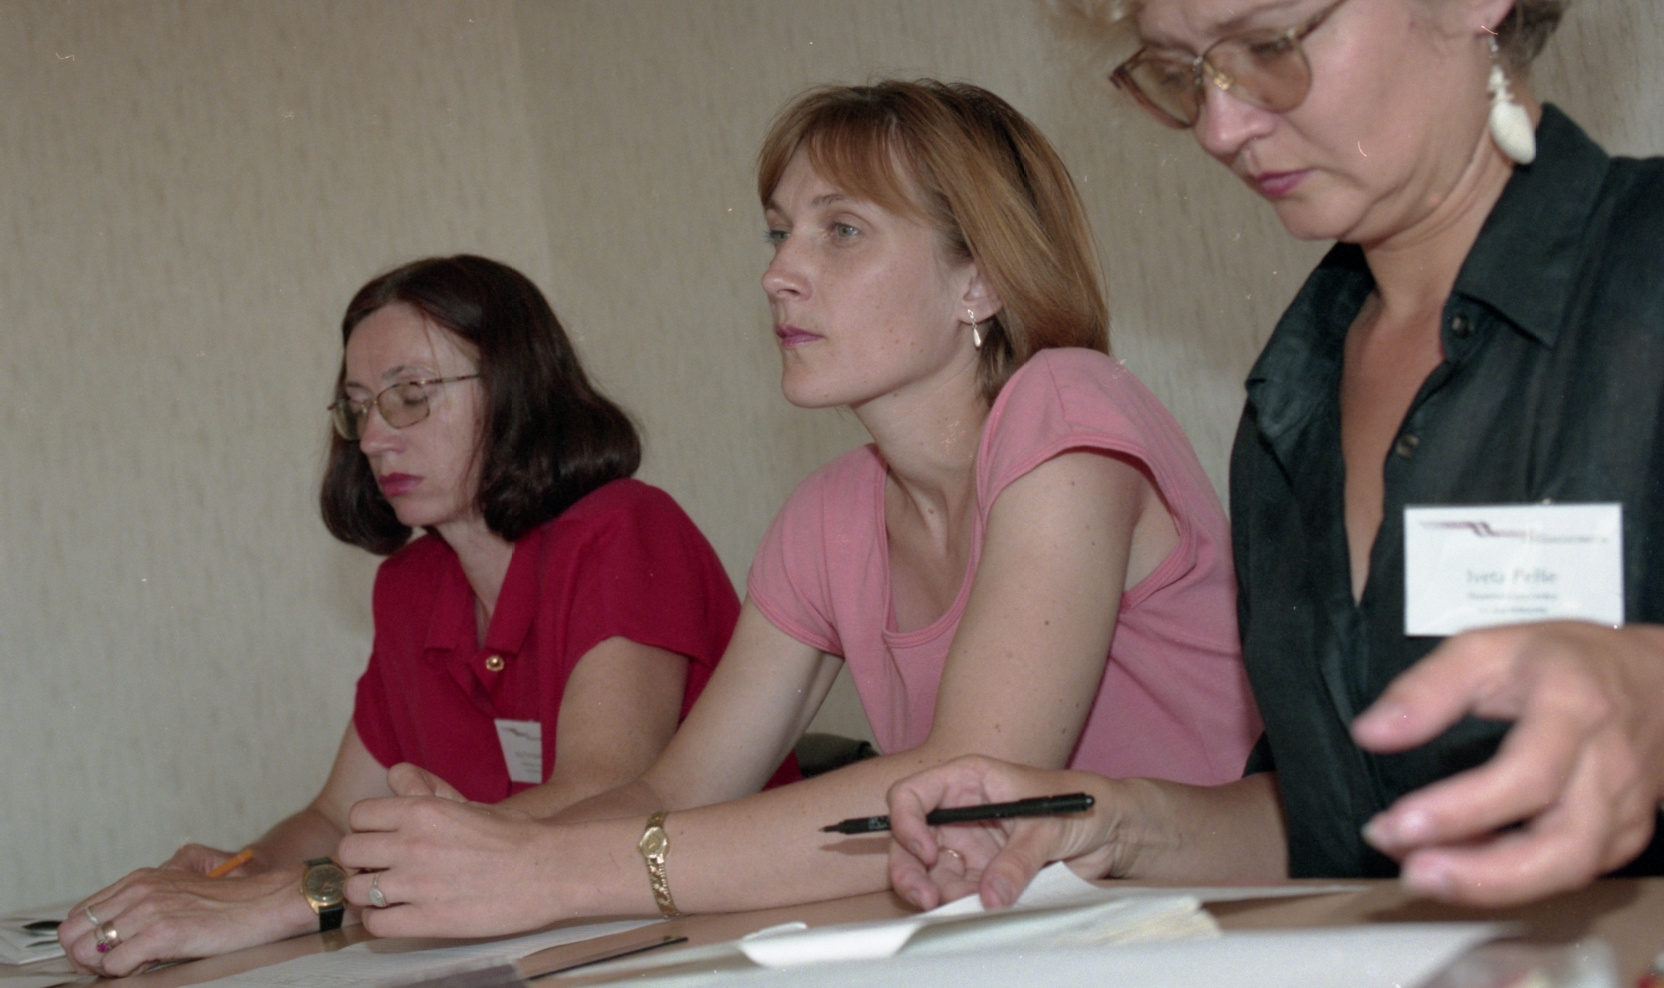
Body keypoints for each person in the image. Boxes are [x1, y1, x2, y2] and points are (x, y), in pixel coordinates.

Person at [330, 80, 1261, 938]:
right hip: (1038, 941)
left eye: (841, 230)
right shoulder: (828, 514)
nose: (779, 274)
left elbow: (969, 783)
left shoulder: (1068, 405)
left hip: (1241, 929)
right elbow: (674, 790)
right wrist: (479, 852)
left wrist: (549, 872)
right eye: (779, 234)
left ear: (979, 279)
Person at [886, 0, 1664, 913]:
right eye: (1184, 73)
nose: (1220, 128)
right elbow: (1344, 824)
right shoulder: (1290, 401)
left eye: (1268, 46)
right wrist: (1118, 823)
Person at [58, 255, 766, 976]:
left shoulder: (625, 528)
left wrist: (295, 897)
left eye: (410, 395)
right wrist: (242, 873)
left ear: (517, 388)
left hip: (719, 940)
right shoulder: (409, 584)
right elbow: (334, 814)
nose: (372, 438)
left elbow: (608, 789)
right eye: (359, 406)